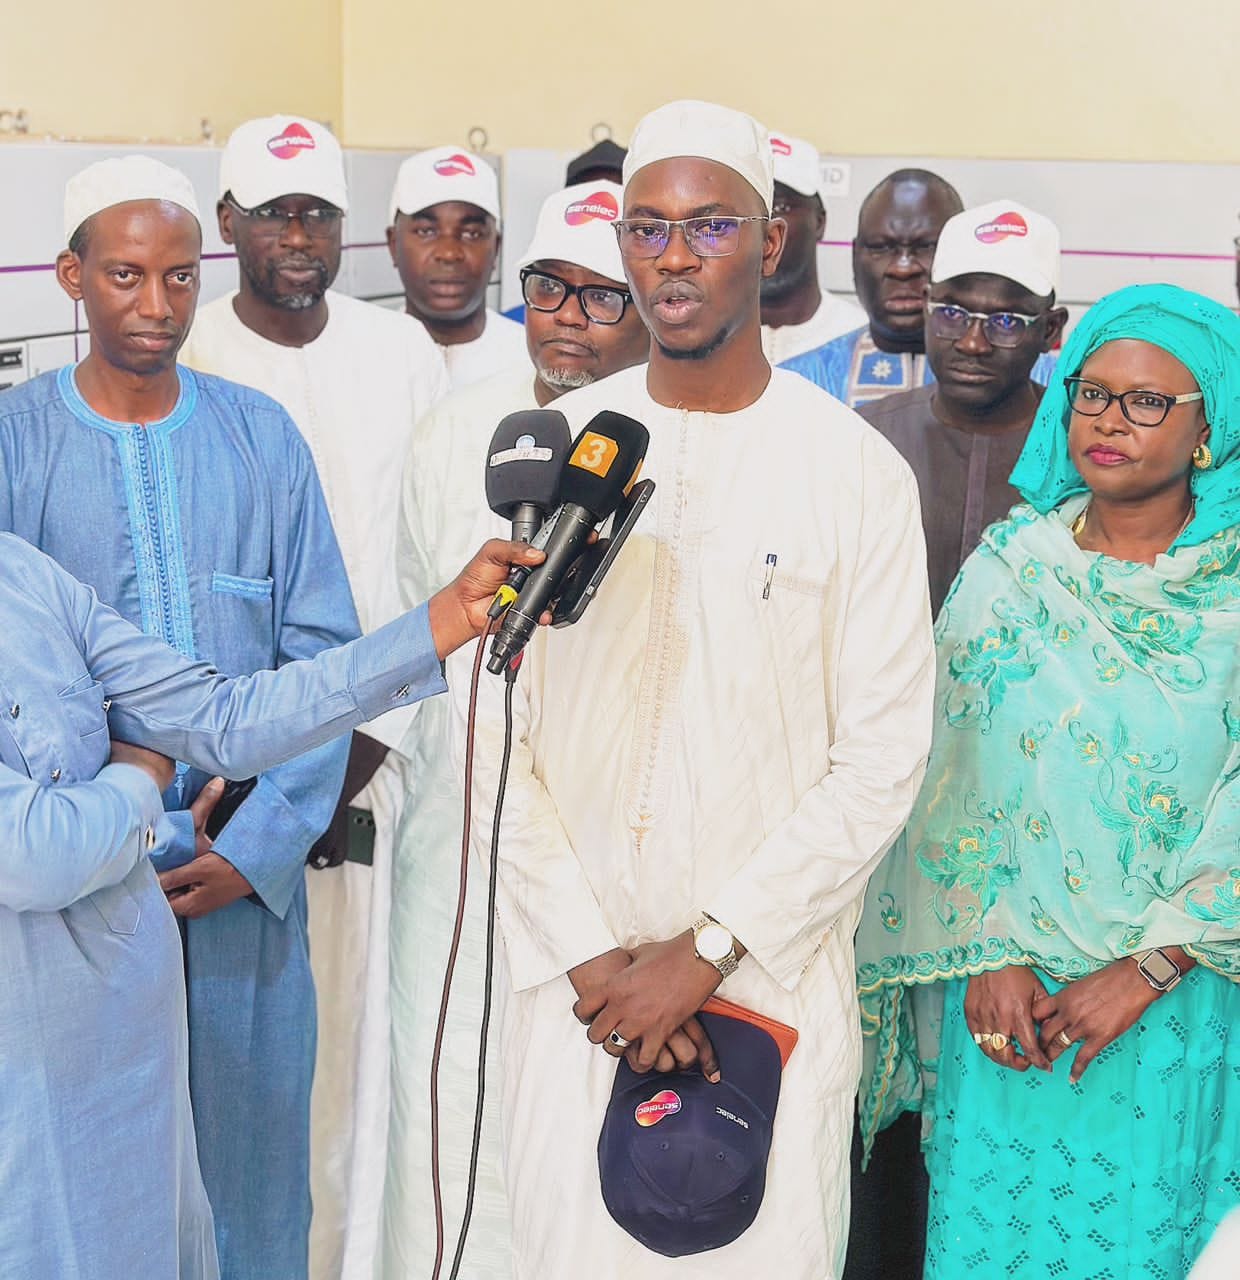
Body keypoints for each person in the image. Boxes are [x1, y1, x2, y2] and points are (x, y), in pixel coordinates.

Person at [464, 99, 934, 1279]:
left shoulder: (854, 473)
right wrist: (589, 956)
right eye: (648, 229)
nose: (673, 257)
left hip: (761, 986)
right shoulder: (557, 449)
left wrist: (707, 950)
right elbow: (487, 726)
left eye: (709, 226)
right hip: (577, 997)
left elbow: (882, 757)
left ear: (770, 242)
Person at [0, 486, 543, 1280]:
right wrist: (140, 782)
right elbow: (33, 853)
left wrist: (444, 622)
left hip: (134, 1069)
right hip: (30, 1087)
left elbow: (223, 718)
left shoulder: (24, 577)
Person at [0, 155, 359, 1280]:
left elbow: (323, 653)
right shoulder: (12, 444)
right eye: (123, 276)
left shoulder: (262, 437)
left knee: (255, 1194)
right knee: (91, 1196)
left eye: (175, 278)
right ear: (70, 277)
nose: (154, 307)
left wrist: (255, 848)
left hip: (243, 888)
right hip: (72, 910)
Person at [857, 283, 1240, 1279]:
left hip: (1181, 1002)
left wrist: (1152, 966)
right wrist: (986, 952)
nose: (1109, 419)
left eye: (1148, 401)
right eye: (1092, 393)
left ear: (1213, 423)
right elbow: (945, 775)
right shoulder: (1009, 567)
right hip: (1009, 1013)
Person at [178, 114, 450, 1280]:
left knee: (353, 1072)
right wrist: (245, 787)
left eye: (319, 216)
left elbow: (424, 570)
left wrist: (342, 768)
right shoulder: (183, 355)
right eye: (275, 213)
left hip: (371, 768)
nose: (298, 237)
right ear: (229, 220)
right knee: (227, 1093)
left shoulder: (402, 359)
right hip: (211, 793)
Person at [382, 177, 650, 1279]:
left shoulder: (671, 443)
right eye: (549, 289)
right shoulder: (458, 431)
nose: (568, 318)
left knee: (588, 1164)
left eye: (601, 296)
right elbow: (409, 632)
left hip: (610, 874)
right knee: (448, 1138)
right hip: (457, 851)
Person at [860, 200, 1068, 616]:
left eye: (1006, 321)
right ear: (926, 306)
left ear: (1049, 330)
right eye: (952, 313)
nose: (973, 343)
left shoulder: (1081, 446)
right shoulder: (865, 438)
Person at [783, 169, 962, 405]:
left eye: (927, 247)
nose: (903, 269)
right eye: (881, 247)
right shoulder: (797, 385)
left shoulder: (1019, 382)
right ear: (855, 256)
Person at [387, 145, 527, 388]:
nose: (449, 253)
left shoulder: (529, 361)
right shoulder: (363, 357)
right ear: (393, 244)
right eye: (426, 231)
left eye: (472, 233)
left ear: (496, 247)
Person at [759, 131, 864, 365]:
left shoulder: (858, 337)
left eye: (781, 206)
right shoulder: (701, 337)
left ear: (819, 222)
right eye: (751, 207)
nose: (767, 224)